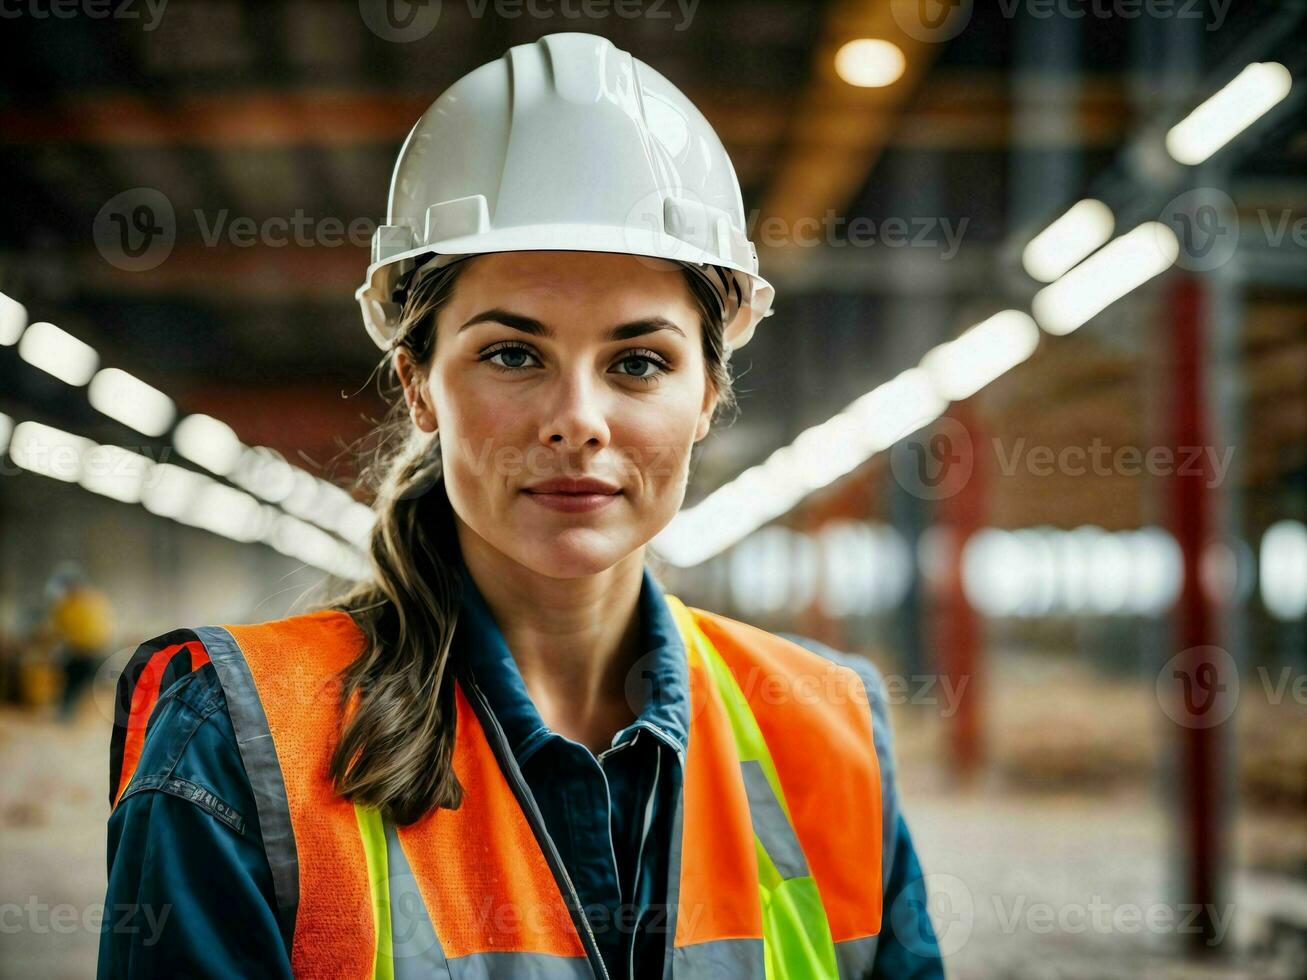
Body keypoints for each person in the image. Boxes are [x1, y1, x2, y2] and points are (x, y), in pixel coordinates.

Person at [99, 33, 944, 979]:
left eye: (638, 362)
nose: (577, 422)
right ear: (418, 383)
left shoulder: (823, 726)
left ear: (707, 392)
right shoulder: (232, 742)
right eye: (512, 353)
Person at [43, 561, 115, 723]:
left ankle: (68, 716)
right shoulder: (66, 606)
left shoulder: (89, 603)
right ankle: (67, 715)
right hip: (81, 652)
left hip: (92, 653)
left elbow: (94, 634)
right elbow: (56, 630)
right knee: (68, 676)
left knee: (75, 679)